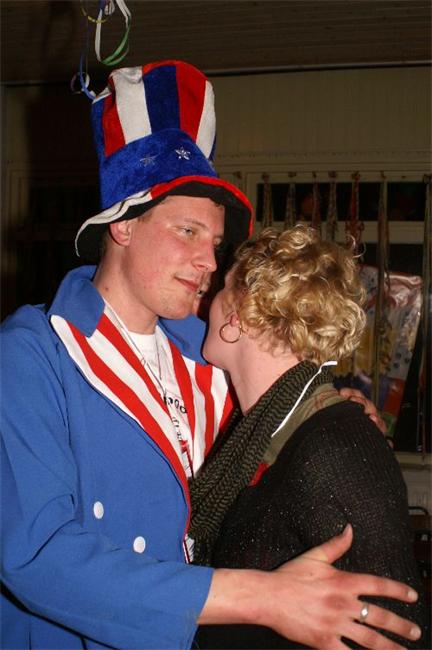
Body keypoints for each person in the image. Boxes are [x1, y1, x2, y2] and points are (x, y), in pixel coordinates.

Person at [1, 61, 422, 650]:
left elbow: (275, 420)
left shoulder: (202, 358)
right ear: (123, 224)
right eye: (188, 232)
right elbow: (39, 556)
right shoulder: (34, 355)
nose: (209, 262)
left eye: (216, 243)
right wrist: (261, 596)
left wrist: (335, 412)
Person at [190, 224, 429, 649]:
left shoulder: (337, 448)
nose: (207, 302)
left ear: (240, 316)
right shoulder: (264, 430)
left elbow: (399, 628)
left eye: (223, 288)